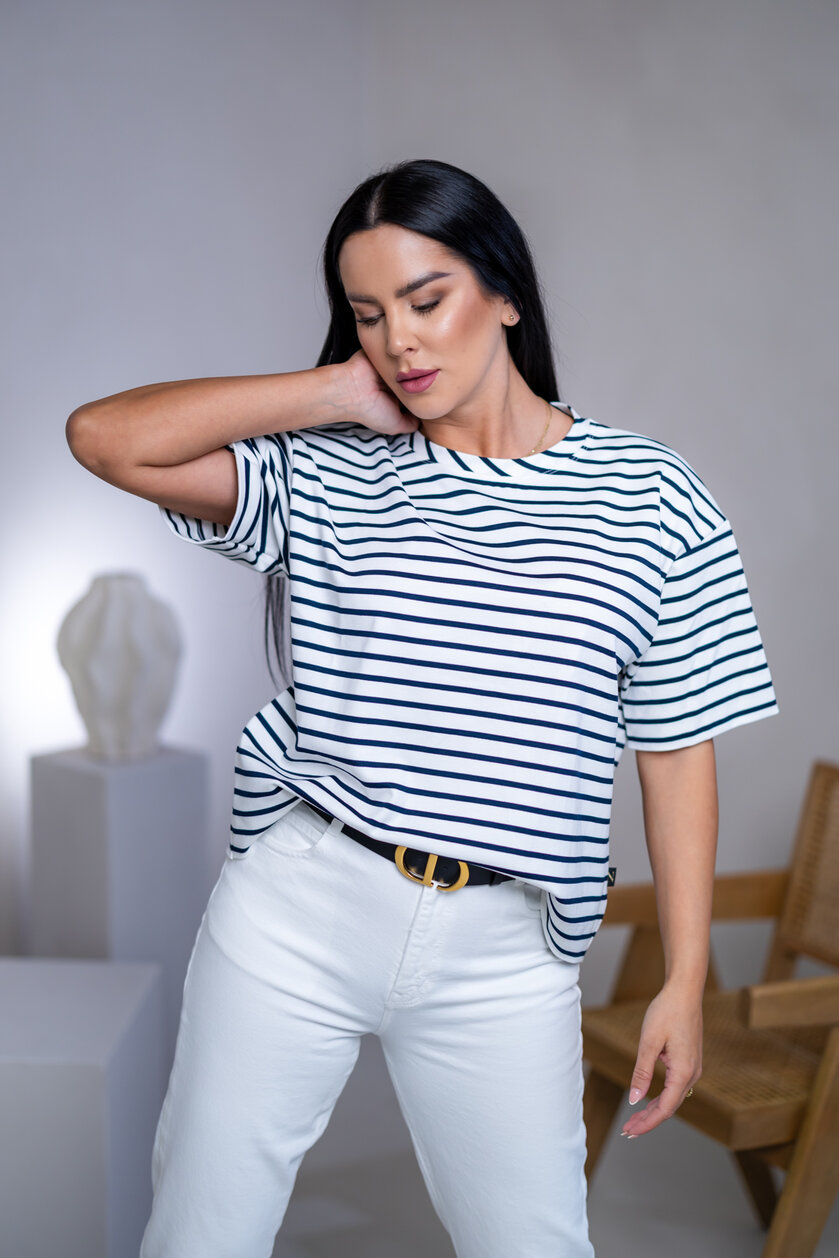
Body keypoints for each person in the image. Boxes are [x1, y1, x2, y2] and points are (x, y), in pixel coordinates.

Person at [66, 157, 779, 1258]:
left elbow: (676, 749)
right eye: (368, 314)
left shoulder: (651, 499)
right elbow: (105, 438)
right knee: (200, 1235)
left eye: (425, 299)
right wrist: (332, 395)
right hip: (299, 911)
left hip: (504, 950)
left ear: (505, 293)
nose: (399, 340)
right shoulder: (330, 475)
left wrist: (683, 980)